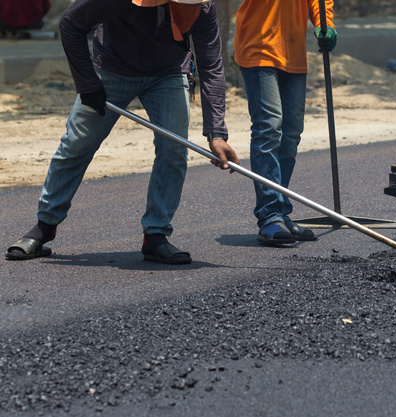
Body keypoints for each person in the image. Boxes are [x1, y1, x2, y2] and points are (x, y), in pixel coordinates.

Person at [5, 0, 238, 264]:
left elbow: (211, 65)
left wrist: (216, 133)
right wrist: (88, 84)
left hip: (169, 72)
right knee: (77, 144)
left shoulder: (203, 6)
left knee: (174, 150)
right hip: (111, 67)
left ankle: (156, 235)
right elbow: (70, 24)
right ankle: (44, 226)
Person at [233, 0, 337, 245]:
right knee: (269, 128)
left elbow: (320, 2)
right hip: (258, 47)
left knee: (290, 134)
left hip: (293, 51)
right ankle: (269, 216)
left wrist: (325, 24)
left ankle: (280, 210)